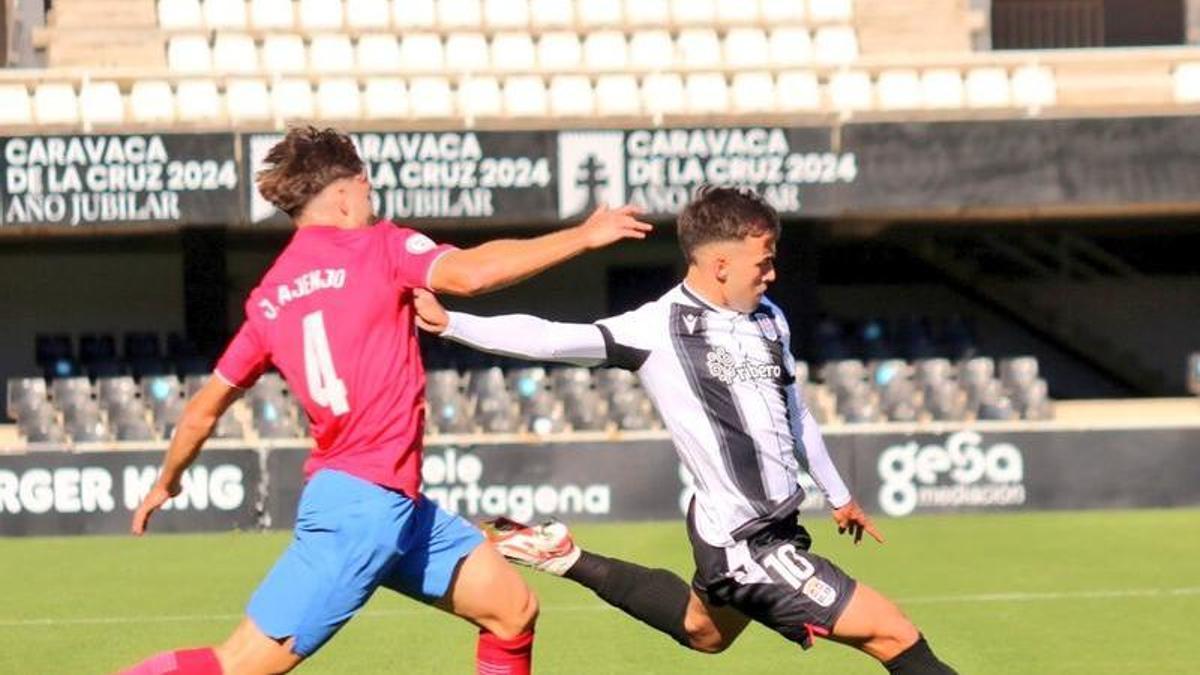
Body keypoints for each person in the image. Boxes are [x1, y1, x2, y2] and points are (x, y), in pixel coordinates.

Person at [120, 126, 651, 675]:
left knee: (511, 611)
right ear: (347, 192)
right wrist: (580, 237)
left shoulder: (270, 296)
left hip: (393, 506)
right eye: (367, 190)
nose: (372, 201)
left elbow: (202, 409)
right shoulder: (381, 246)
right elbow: (470, 274)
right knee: (236, 665)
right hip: (361, 509)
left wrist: (168, 480)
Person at [414, 185, 957, 674]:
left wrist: (839, 494)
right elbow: (554, 339)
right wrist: (455, 324)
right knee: (895, 635)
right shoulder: (659, 326)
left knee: (703, 633)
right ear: (720, 264)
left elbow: (797, 411)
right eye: (763, 263)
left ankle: (564, 556)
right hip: (744, 542)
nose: (771, 274)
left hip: (772, 525)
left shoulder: (770, 318)